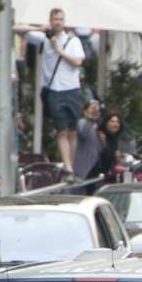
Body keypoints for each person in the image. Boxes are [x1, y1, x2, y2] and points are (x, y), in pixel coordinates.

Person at [25, 9, 93, 176]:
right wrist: (42, 29)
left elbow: (78, 61)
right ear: (50, 20)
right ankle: (68, 167)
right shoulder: (44, 39)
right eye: (55, 19)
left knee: (73, 130)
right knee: (61, 130)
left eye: (60, 19)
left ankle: (72, 164)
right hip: (54, 90)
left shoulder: (73, 40)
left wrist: (59, 50)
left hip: (72, 89)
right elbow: (17, 28)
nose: (58, 22)